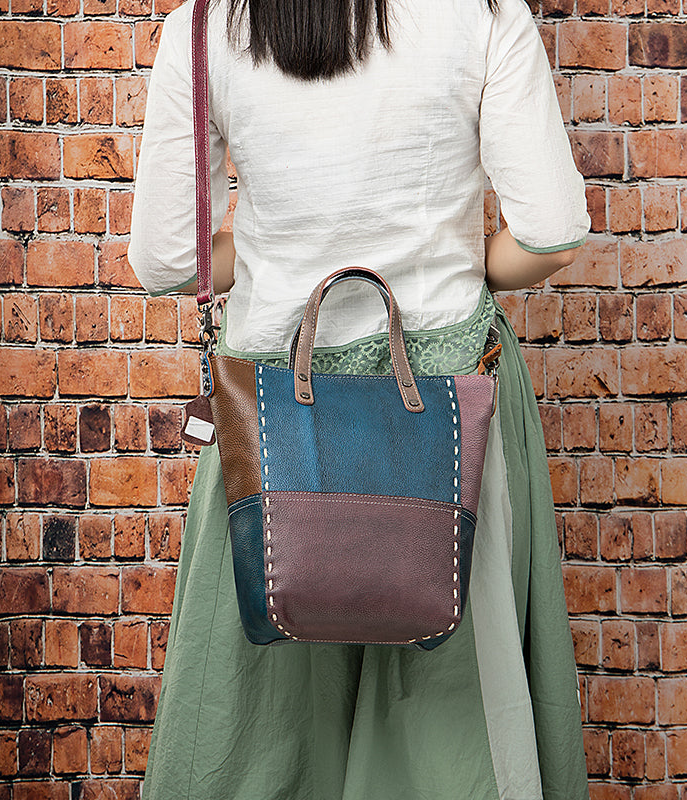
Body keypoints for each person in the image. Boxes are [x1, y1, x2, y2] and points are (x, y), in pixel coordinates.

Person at [128, 0, 592, 797]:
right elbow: (550, 234)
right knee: (454, 734)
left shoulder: (205, 25)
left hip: (271, 417)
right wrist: (461, 259)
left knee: (259, 738)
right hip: (447, 406)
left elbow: (168, 260)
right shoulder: (481, 14)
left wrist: (275, 249)